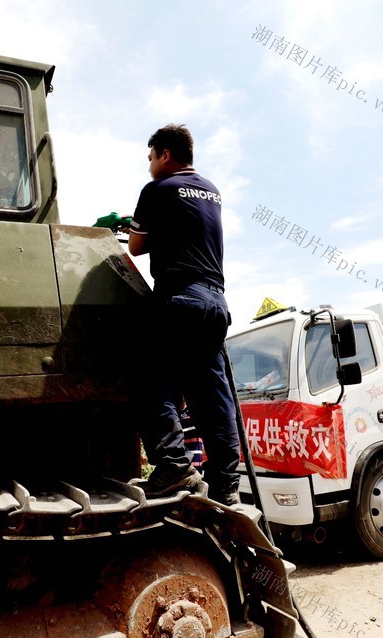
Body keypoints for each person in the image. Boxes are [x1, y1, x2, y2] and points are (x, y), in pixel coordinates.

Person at [125, 124, 241, 506]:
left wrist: (130, 226)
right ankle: (225, 482)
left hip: (179, 299)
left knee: (148, 378)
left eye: (151, 158)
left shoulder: (157, 190)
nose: (149, 166)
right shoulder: (212, 191)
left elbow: (137, 247)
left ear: (165, 155)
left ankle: (173, 466)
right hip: (216, 304)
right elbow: (187, 228)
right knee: (212, 393)